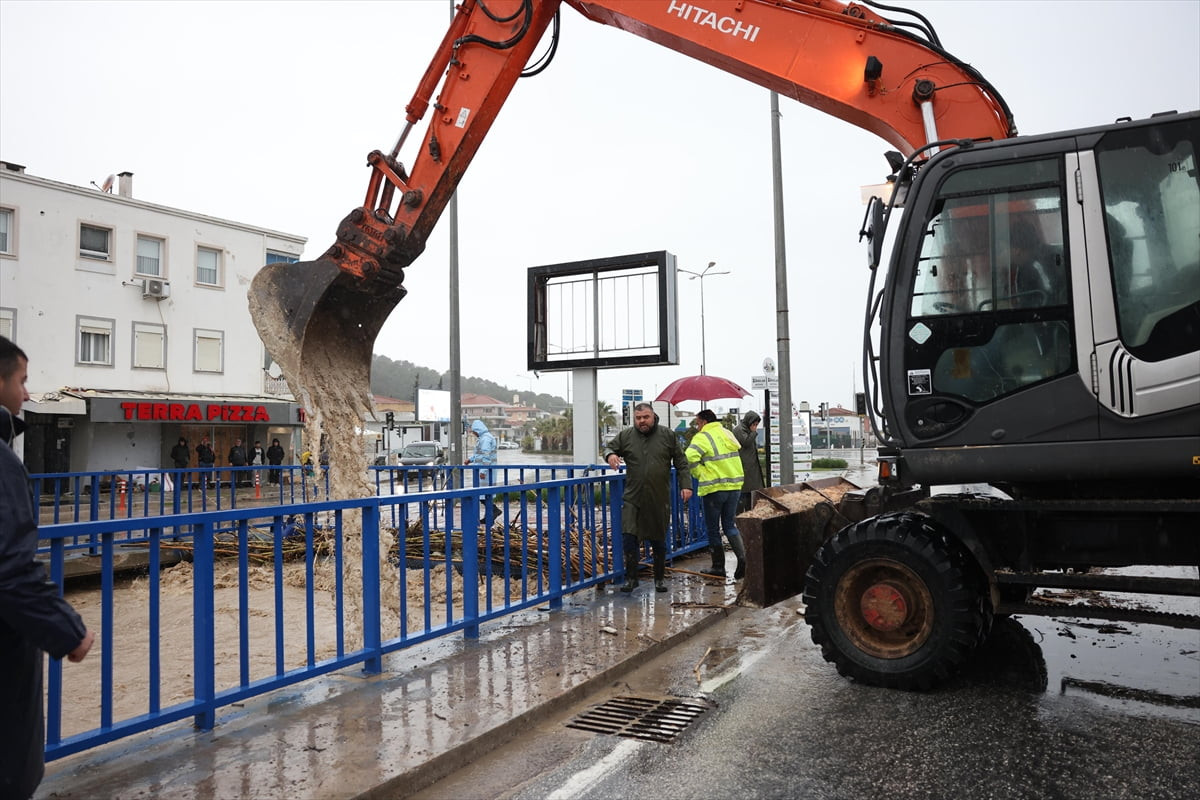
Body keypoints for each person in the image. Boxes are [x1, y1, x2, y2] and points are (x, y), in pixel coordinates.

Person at [0, 336, 94, 799]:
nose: (27, 394)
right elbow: (10, 568)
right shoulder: (1, 462)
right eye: (22, 380)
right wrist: (68, 631)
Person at [604, 402, 692, 593]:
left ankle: (659, 579)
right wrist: (610, 455)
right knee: (629, 536)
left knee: (658, 540)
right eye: (638, 418)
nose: (642, 421)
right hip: (632, 496)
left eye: (645, 417)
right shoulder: (626, 435)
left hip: (658, 497)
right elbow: (609, 448)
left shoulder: (667, 435)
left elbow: (682, 462)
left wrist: (686, 485)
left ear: (653, 417)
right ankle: (631, 578)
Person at [686, 409, 746, 580]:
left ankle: (718, 567)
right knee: (729, 525)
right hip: (734, 485)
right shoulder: (726, 432)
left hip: (714, 488)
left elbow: (689, 456)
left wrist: (700, 472)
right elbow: (737, 448)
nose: (697, 427)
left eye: (697, 423)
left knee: (713, 529)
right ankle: (743, 558)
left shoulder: (702, 437)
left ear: (704, 422)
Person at [733, 411, 765, 513]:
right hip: (744, 468)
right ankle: (739, 520)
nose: (755, 427)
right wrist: (753, 432)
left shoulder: (746, 430)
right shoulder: (740, 430)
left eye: (756, 425)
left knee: (749, 497)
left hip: (750, 469)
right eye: (754, 424)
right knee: (742, 497)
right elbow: (746, 442)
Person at [467, 420, 497, 486]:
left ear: (478, 430)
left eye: (474, 432)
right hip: (483, 470)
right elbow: (479, 454)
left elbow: (486, 456)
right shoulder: (483, 438)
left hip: (486, 472)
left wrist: (483, 471)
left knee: (484, 492)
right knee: (485, 491)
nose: (474, 434)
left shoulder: (485, 439)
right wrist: (470, 460)